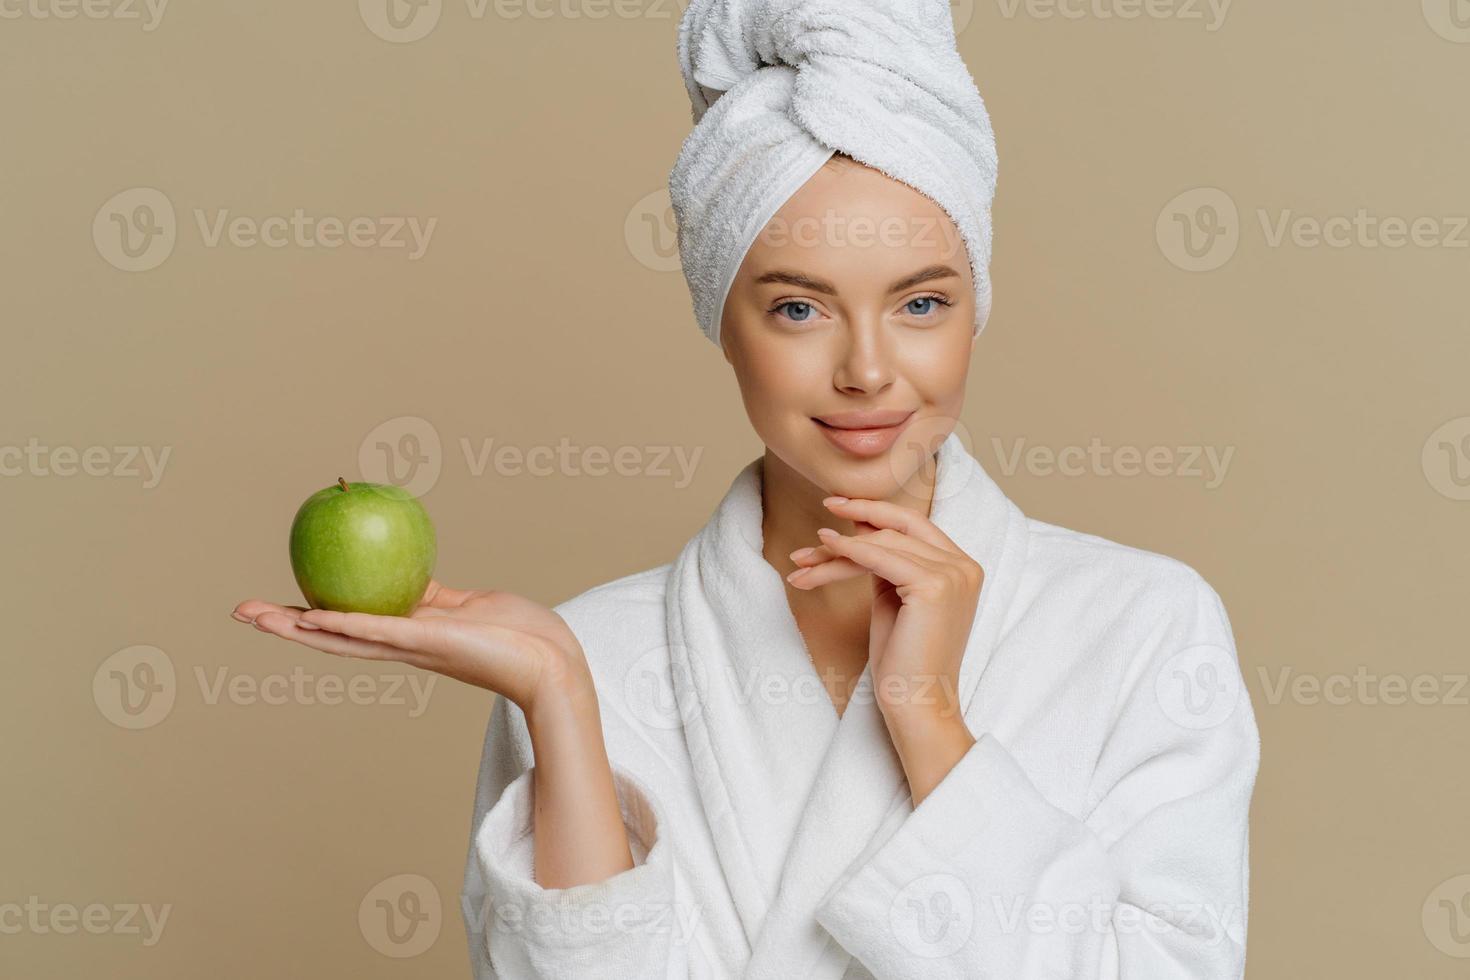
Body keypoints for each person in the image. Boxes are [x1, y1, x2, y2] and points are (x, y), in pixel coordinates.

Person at [233, 2, 1259, 977]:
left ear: (976, 310)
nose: (868, 369)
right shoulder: (603, 653)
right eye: (801, 308)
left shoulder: (1143, 629)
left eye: (922, 302)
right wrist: (557, 689)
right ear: (721, 318)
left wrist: (927, 714)